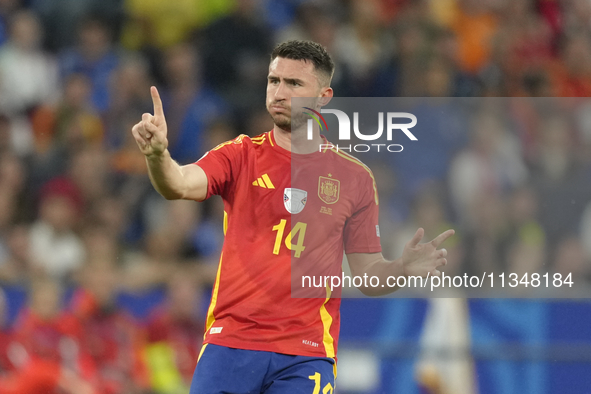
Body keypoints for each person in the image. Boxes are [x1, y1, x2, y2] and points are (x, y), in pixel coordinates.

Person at [131, 40, 454, 394]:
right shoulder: (240, 155)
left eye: (294, 84)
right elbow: (177, 184)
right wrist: (158, 155)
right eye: (274, 81)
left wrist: (401, 270)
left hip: (307, 353)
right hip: (231, 342)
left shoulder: (354, 178)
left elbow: (368, 275)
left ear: (323, 96)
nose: (279, 92)